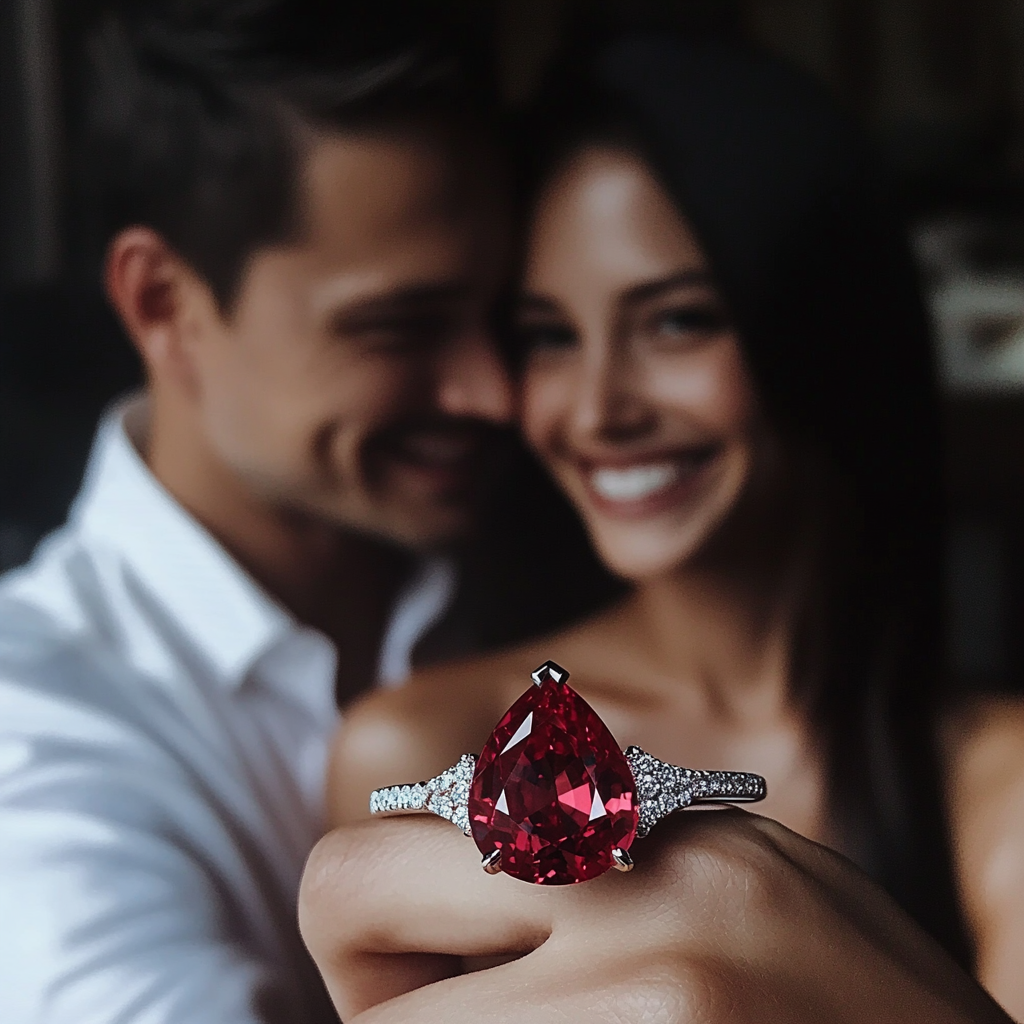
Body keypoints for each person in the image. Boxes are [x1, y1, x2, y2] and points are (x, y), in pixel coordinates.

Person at [312, 29, 1024, 1022]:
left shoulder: (1001, 782)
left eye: (675, 320)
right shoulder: (418, 742)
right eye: (549, 336)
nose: (598, 407)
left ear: (815, 324)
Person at [0, 1, 517, 1021]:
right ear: (163, 303)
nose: (494, 391)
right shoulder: (29, 719)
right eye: (400, 326)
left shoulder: (557, 559)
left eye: (508, 314)